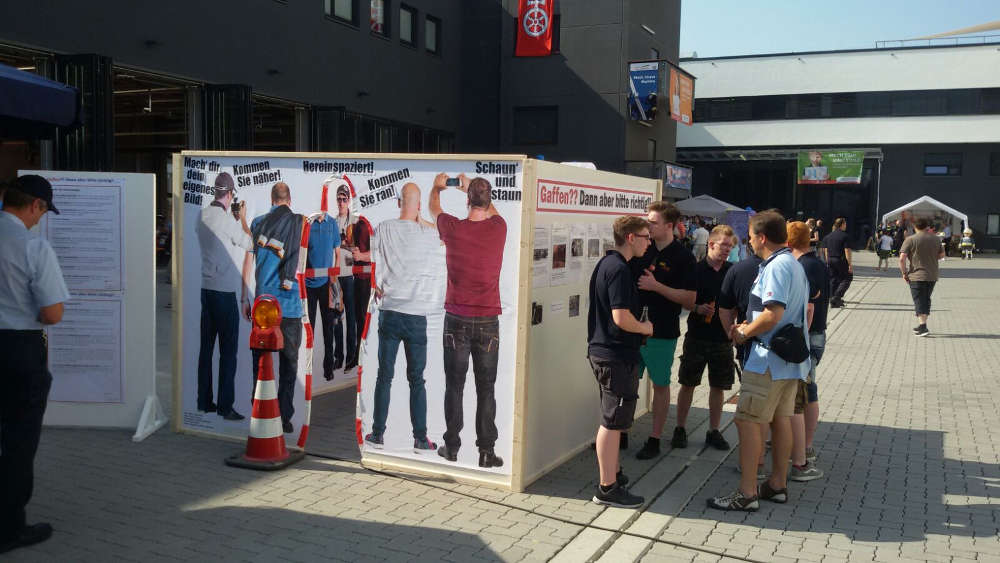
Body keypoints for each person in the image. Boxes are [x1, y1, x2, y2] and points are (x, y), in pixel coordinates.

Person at [708, 211, 810, 512]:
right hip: (787, 361)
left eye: (751, 236)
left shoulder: (778, 266)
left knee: (747, 420)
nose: (748, 242)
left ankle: (747, 493)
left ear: (762, 237)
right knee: (780, 420)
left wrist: (743, 333)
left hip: (768, 359)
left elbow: (771, 314)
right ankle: (777, 485)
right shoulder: (792, 262)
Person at [0, 175, 69, 553]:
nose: (40, 219)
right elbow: (53, 313)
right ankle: (9, 528)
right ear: (35, 205)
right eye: (42, 211)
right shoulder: (33, 246)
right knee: (18, 442)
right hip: (19, 349)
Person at [429, 173, 507, 468]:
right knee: (486, 388)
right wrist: (474, 189)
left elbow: (433, 208)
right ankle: (486, 452)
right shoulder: (499, 227)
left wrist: (438, 187)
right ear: (488, 201)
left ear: (466, 200)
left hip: (457, 319)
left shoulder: (451, 227)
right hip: (488, 319)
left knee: (455, 385)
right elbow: (491, 210)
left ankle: (451, 447)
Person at [366, 183, 440, 452]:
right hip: (416, 315)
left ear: (399, 202)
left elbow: (373, 261)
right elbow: (440, 232)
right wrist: (421, 218)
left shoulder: (384, 227)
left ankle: (377, 434)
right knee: (417, 379)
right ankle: (421, 439)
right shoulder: (427, 233)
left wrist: (378, 284)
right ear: (419, 205)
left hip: (390, 311)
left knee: (384, 376)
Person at [587, 216, 653, 508]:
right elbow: (620, 317)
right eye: (645, 237)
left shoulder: (609, 264)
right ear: (630, 238)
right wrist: (645, 328)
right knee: (612, 423)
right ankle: (607, 487)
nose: (648, 242)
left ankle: (613, 473)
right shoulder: (618, 269)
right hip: (614, 354)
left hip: (609, 353)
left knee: (613, 419)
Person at [630, 201, 696, 459]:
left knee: (660, 385)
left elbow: (690, 300)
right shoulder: (643, 249)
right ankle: (621, 431)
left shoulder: (684, 257)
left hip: (662, 332)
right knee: (627, 382)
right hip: (634, 329)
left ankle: (655, 438)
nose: (648, 226)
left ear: (669, 226)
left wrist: (656, 286)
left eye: (653, 222)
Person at [241, 182, 305, 434]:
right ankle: (284, 417)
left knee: (260, 363)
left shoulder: (257, 223)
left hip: (263, 306)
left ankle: (259, 411)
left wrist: (244, 299)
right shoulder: (300, 224)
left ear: (272, 199)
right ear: (289, 199)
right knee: (289, 364)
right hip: (289, 305)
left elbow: (250, 254)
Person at [196, 172, 252, 420]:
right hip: (224, 292)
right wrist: (242, 219)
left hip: (206, 289)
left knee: (206, 348)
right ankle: (225, 406)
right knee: (228, 351)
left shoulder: (203, 216)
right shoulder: (227, 221)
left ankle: (204, 400)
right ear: (229, 195)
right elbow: (249, 244)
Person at [675, 225, 735, 451]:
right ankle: (680, 428)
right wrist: (697, 308)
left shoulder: (732, 271)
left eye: (730, 246)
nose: (727, 250)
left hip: (722, 339)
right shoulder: (695, 270)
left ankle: (714, 430)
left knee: (718, 387)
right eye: (724, 245)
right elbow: (682, 299)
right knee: (687, 384)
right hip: (697, 336)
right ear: (711, 244)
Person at [786, 222, 827, 482]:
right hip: (818, 334)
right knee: (807, 390)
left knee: (804, 392)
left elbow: (808, 308)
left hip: (808, 336)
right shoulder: (818, 264)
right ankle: (805, 445)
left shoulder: (801, 266)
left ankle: (805, 448)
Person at [304, 196, 343, 380]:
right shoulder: (308, 224)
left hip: (326, 285)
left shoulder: (332, 224)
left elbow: (337, 254)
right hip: (309, 286)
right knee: (309, 330)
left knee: (328, 329)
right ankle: (307, 370)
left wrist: (334, 282)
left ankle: (328, 369)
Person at [899, 217, 944, 337]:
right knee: (926, 298)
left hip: (916, 275)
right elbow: (941, 255)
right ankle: (921, 325)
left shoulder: (910, 239)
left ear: (915, 227)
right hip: (932, 275)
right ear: (926, 226)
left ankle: (923, 327)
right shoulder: (936, 239)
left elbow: (902, 258)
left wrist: (904, 273)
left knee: (919, 300)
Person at [334, 184, 359, 371]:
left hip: (350, 275)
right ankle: (338, 357)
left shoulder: (356, 222)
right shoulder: (332, 222)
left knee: (351, 318)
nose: (341, 202)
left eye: (344, 199)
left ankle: (351, 358)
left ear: (349, 200)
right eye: (339, 199)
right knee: (336, 318)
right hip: (335, 275)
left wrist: (344, 244)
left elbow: (357, 250)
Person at [822, 217, 852, 308]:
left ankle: (833, 299)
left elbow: (825, 250)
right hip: (840, 259)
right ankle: (837, 296)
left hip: (830, 259)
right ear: (842, 224)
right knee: (847, 278)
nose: (846, 226)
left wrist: (827, 261)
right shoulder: (845, 236)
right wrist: (850, 264)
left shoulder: (828, 236)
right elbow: (847, 250)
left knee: (833, 279)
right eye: (845, 224)